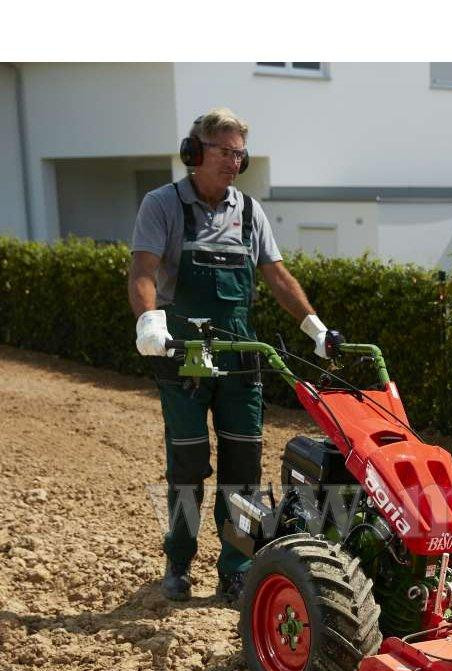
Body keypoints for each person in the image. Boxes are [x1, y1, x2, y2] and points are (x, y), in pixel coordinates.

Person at [128, 107, 341, 604]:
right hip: (187, 353)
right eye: (224, 152)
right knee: (187, 464)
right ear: (194, 152)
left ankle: (237, 566)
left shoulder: (249, 210)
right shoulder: (162, 205)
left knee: (243, 468)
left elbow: (278, 276)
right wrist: (150, 320)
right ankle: (179, 560)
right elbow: (142, 270)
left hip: (240, 354)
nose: (234, 163)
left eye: (240, 154)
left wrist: (315, 328)